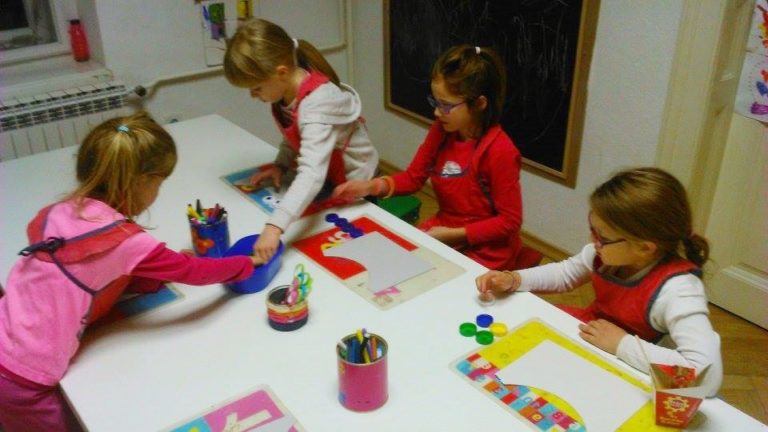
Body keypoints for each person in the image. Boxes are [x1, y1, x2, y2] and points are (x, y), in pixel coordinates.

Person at [0, 112, 263, 432]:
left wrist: (148, 275)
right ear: (142, 182)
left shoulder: (58, 211)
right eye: (160, 183)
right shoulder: (125, 240)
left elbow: (83, 271)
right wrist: (246, 264)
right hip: (24, 377)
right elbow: (194, 272)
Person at [475, 167, 723, 396]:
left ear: (644, 248)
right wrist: (514, 278)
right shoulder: (605, 253)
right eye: (593, 229)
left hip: (633, 367)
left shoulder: (679, 290)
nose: (593, 241)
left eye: (602, 236)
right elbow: (564, 274)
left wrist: (621, 344)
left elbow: (707, 376)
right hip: (594, 335)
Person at [333, 44, 525, 270]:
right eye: (435, 102)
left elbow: (510, 221)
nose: (436, 112)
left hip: (487, 250)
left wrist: (454, 234)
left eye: (446, 106)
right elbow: (413, 178)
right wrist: (371, 186)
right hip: (445, 230)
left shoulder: (500, 151)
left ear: (479, 104)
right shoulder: (442, 130)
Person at [223, 18, 379, 263]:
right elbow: (294, 136)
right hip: (329, 176)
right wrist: (281, 164)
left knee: (344, 251)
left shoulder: (317, 106)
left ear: (281, 73)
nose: (253, 95)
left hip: (355, 183)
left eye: (256, 88)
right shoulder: (286, 92)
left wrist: (274, 226)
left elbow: (312, 174)